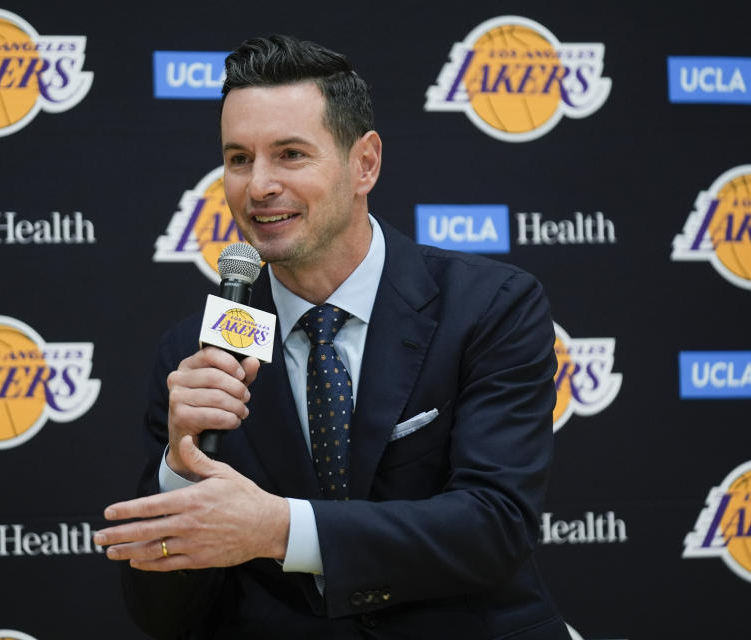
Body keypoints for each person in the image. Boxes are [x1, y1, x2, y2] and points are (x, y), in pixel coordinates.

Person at [94, 35, 570, 639]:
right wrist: (180, 470)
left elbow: (496, 525)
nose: (258, 185)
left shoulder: (489, 306)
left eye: (290, 154)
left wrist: (278, 528)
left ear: (364, 163)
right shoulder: (196, 352)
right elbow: (163, 618)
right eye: (239, 159)